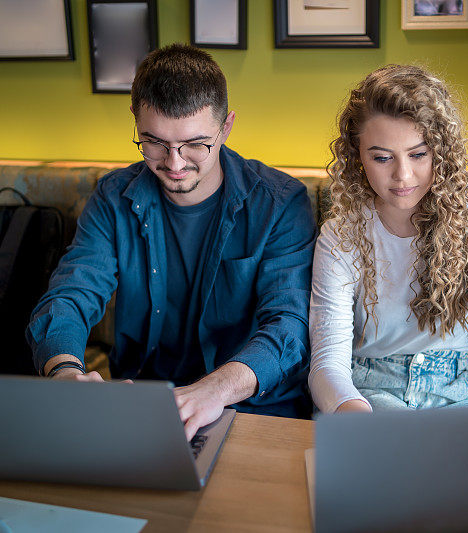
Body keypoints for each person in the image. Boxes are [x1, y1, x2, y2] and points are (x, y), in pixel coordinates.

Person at [27, 44, 317, 438]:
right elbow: (71, 293)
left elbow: (290, 324)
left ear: (226, 126)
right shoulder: (113, 198)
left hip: (256, 411)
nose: (174, 163)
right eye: (155, 142)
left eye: (196, 144)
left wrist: (215, 389)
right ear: (135, 120)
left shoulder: (281, 203)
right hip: (145, 406)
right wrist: (64, 372)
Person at [308, 65, 468, 413]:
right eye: (381, 157)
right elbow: (328, 361)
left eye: (419, 154)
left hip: (457, 392)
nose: (402, 175)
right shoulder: (340, 235)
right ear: (357, 157)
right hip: (366, 394)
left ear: (442, 149)